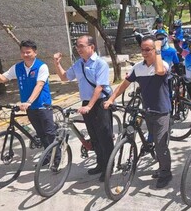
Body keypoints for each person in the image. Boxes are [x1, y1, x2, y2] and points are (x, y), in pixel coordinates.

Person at [103, 36, 173, 188]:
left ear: (155, 50)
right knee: (154, 141)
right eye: (142, 49)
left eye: (148, 49)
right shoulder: (138, 68)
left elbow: (160, 71)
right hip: (147, 111)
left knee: (161, 144)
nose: (145, 52)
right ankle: (161, 166)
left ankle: (166, 173)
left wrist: (159, 50)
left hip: (162, 111)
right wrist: (111, 99)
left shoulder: (163, 64)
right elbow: (124, 85)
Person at [53, 35, 113, 182]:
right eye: (77, 46)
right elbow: (64, 77)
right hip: (87, 103)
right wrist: (57, 63)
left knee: (105, 136)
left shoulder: (101, 64)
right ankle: (100, 164)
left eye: (81, 46)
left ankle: (109, 167)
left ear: (91, 47)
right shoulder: (78, 64)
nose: (78, 49)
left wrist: (90, 106)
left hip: (100, 103)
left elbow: (100, 87)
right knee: (94, 136)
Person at [0, 40, 56, 154]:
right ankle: (47, 155)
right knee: (41, 133)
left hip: (42, 105)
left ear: (35, 53)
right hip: (29, 107)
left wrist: (29, 101)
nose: (25, 55)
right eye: (23, 52)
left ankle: (56, 158)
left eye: (28, 52)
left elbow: (40, 85)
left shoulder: (41, 66)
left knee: (49, 133)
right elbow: (2, 79)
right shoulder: (17, 67)